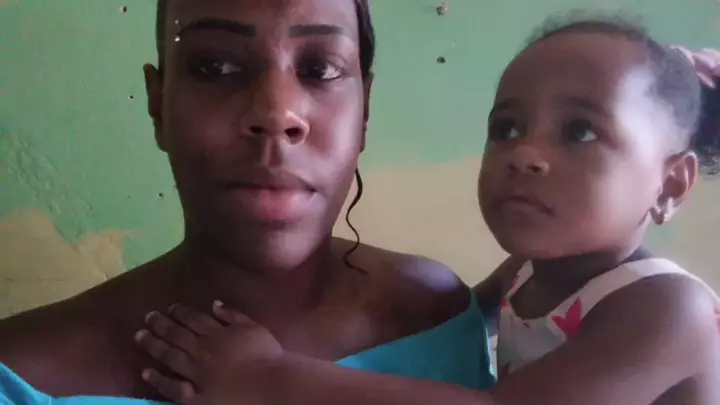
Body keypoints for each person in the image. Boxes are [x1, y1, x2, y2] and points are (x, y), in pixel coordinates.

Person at [135, 16, 720, 405]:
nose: (525, 154)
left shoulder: (669, 310)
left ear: (670, 185)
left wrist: (271, 378)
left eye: (580, 132)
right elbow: (455, 318)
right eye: (507, 128)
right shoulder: (527, 271)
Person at [0, 0, 509, 403]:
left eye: (320, 68)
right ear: (159, 105)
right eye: (214, 66)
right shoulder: (22, 378)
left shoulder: (437, 315)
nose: (276, 112)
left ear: (365, 110)